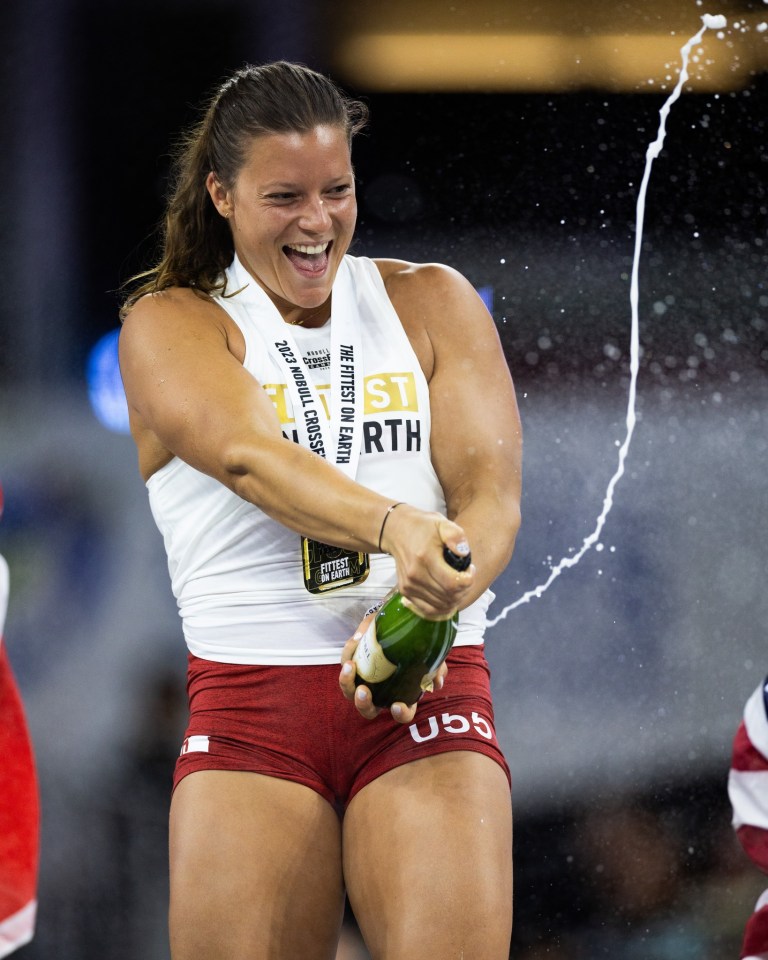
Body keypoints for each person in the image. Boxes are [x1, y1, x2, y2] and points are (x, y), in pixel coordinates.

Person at [118, 60, 522, 960]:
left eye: (337, 190)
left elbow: (491, 502)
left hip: (427, 697)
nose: (318, 222)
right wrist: (396, 529)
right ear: (221, 194)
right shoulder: (171, 322)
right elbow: (247, 455)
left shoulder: (433, 302)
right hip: (253, 710)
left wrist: (434, 597)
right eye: (284, 197)